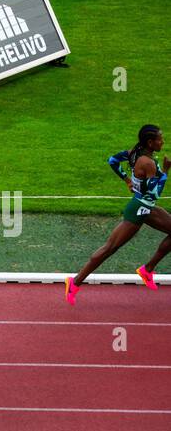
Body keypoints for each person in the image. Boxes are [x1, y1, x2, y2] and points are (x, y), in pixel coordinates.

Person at [66, 124, 171, 303]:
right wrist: (166, 171)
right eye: (160, 139)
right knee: (110, 248)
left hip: (146, 207)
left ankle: (148, 269)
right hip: (139, 209)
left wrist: (127, 180)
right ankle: (74, 282)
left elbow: (112, 161)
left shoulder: (134, 153)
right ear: (150, 142)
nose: (163, 141)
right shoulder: (148, 163)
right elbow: (154, 193)